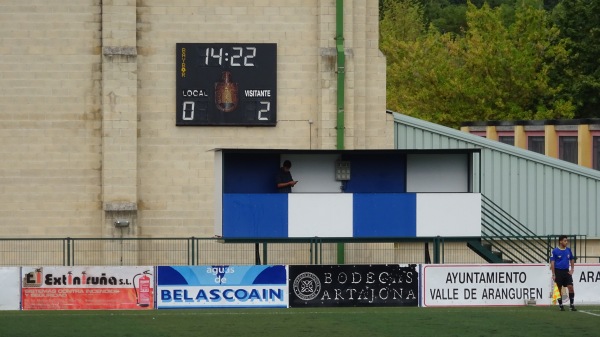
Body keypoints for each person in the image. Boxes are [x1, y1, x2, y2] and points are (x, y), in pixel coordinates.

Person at [550, 235, 576, 311]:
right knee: (559, 289)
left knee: (570, 287)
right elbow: (552, 262)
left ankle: (572, 305)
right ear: (560, 241)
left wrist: (572, 269)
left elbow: (571, 259)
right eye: (565, 241)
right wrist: (553, 274)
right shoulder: (555, 251)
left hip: (566, 271)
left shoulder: (568, 250)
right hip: (558, 271)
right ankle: (561, 305)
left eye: (567, 241)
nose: (566, 242)